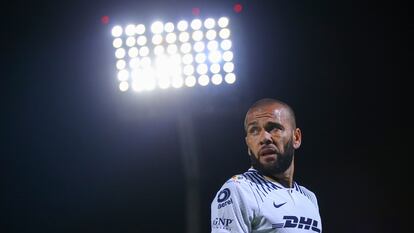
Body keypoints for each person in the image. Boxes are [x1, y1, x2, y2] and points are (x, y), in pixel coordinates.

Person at [211, 98, 322, 233]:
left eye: (274, 128)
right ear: (248, 144)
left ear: (296, 138)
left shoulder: (309, 198)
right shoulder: (239, 190)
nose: (264, 138)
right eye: (254, 130)